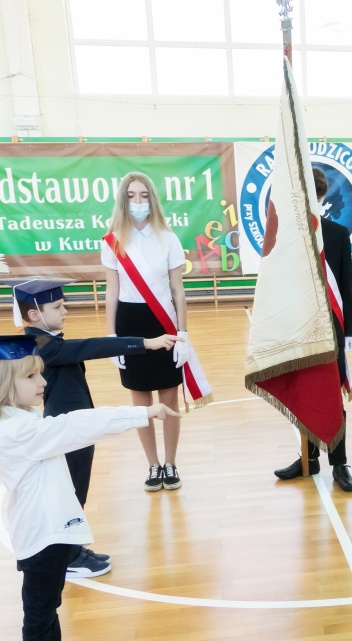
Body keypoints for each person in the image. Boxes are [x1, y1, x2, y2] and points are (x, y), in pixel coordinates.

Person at [0, 334, 178, 641]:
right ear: (0, 384)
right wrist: (139, 413)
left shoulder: (20, 419)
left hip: (51, 532)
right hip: (41, 535)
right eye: (31, 377)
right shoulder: (18, 431)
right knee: (39, 613)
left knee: (49, 607)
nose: (43, 383)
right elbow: (76, 426)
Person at [5, 277, 178, 575]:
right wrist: (144, 343)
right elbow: (89, 347)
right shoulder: (42, 345)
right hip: (68, 430)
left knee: (75, 489)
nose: (65, 311)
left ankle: (70, 549)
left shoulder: (47, 340)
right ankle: (68, 556)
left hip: (75, 429)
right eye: (58, 306)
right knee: (72, 491)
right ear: (34, 315)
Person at [102, 171, 195, 492]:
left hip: (164, 322)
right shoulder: (113, 240)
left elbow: (178, 290)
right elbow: (111, 292)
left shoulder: (168, 239)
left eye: (143, 196)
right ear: (122, 201)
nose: (138, 202)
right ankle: (153, 465)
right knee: (140, 401)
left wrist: (183, 334)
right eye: (131, 196)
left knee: (169, 397)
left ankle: (171, 463)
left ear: (152, 199)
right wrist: (111, 339)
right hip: (130, 323)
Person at [273, 168, 352, 492]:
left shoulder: (337, 235)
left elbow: (346, 286)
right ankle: (308, 461)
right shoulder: (286, 235)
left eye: (315, 193)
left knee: (332, 397)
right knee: (302, 395)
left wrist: (349, 330)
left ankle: (339, 463)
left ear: (322, 195)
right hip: (297, 325)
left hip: (331, 328)